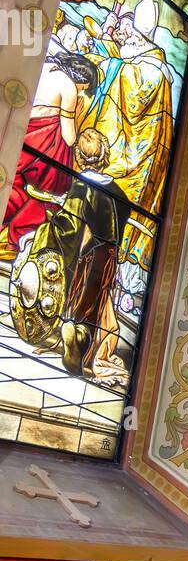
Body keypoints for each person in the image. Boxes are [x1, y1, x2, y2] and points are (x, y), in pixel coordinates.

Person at [18, 128, 131, 384]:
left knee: (80, 297)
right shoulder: (120, 194)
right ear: (105, 156)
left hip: (87, 254)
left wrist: (45, 226)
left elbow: (68, 227)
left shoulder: (81, 187)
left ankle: (77, 339)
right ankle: (83, 338)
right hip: (109, 256)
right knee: (96, 302)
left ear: (78, 156)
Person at [77, 0, 174, 269]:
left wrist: (107, 63)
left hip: (136, 153)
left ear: (141, 38)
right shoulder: (147, 63)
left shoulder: (152, 70)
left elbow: (132, 97)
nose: (128, 39)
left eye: (133, 36)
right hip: (139, 149)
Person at [0, 50, 97, 260]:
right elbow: (68, 135)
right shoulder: (69, 87)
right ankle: (11, 240)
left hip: (20, 131)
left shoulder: (46, 68)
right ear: (82, 81)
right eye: (84, 89)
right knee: (52, 185)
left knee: (13, 184)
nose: (81, 93)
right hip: (40, 143)